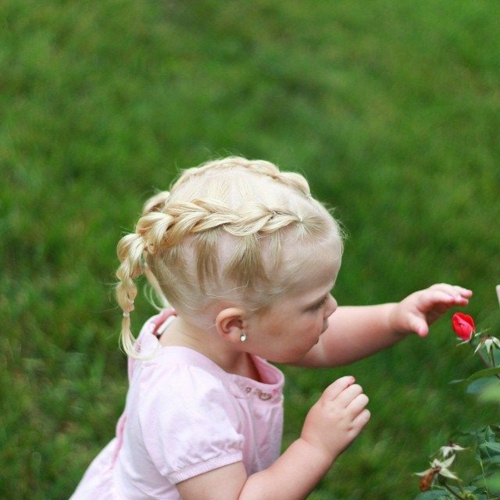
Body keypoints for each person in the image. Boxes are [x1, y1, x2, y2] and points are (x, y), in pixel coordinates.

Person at [70, 156, 471, 500]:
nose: (331, 308)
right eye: (315, 304)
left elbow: (322, 340)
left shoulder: (215, 331)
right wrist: (315, 447)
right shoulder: (185, 401)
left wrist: (392, 317)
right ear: (235, 325)